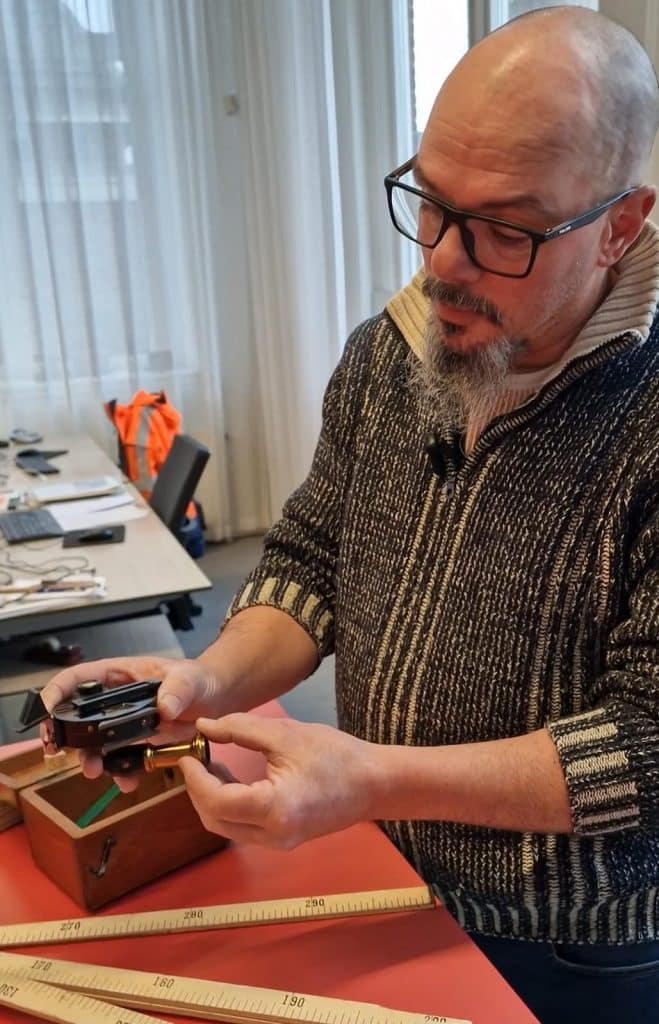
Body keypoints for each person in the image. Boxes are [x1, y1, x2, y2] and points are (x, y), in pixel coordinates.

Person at [41, 7, 659, 1023]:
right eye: (429, 203)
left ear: (618, 224)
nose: (441, 262)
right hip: (381, 876)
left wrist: (370, 778)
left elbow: (643, 748)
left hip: (569, 951)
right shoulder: (391, 351)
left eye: (502, 228)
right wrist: (205, 676)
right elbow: (311, 557)